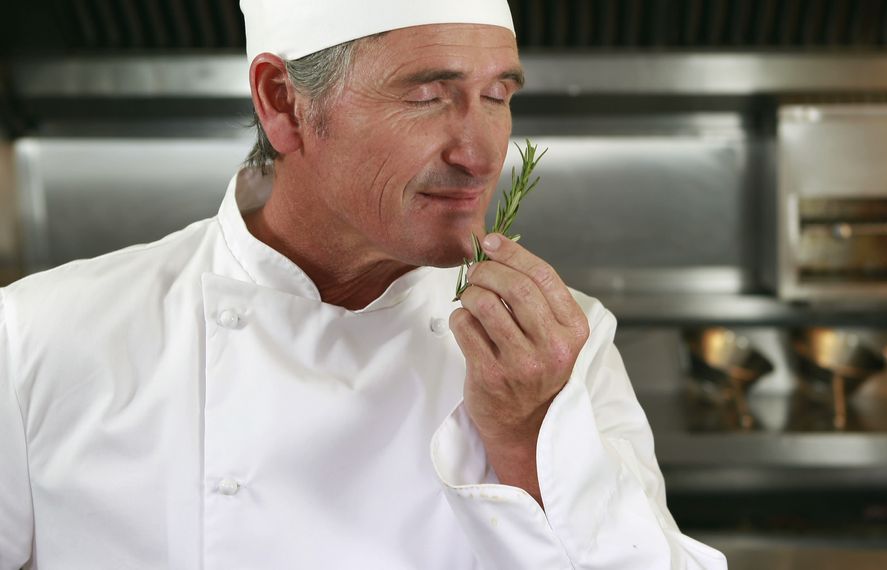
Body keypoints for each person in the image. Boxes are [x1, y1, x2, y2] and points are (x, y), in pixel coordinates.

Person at [0, 1, 726, 568]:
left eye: (498, 94)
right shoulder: (38, 338)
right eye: (428, 96)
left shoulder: (557, 346)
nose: (479, 153)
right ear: (283, 103)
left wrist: (533, 440)